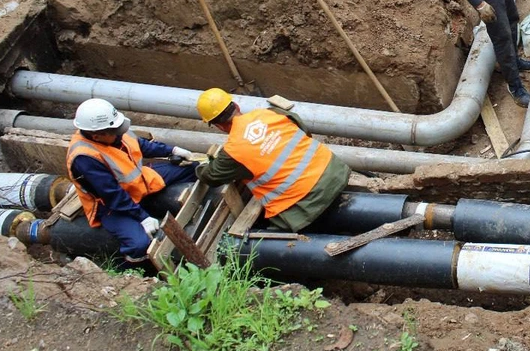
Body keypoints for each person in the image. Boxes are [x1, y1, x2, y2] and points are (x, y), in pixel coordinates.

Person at [194, 88, 350, 231]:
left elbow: (211, 177)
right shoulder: (272, 113)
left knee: (268, 243)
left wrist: (199, 166)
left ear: (218, 126)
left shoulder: (233, 152)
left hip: (304, 204)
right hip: (334, 171)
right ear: (236, 105)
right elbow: (304, 131)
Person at [65, 98, 198, 264]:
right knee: (139, 245)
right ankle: (134, 270)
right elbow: (112, 195)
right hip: (112, 206)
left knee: (192, 168)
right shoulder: (84, 158)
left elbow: (140, 144)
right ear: (96, 135)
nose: (120, 134)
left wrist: (171, 150)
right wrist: (142, 217)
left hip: (139, 182)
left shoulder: (114, 130)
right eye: (114, 132)